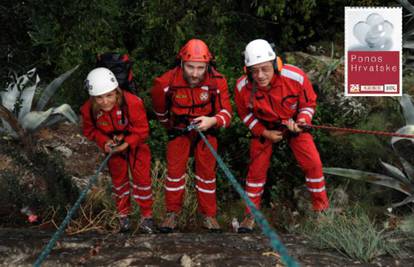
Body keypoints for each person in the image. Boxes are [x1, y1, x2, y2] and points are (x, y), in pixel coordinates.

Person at [234, 39, 329, 233]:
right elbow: (245, 115)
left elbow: (309, 103)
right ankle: (250, 216)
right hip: (265, 128)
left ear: (276, 65)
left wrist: (302, 120)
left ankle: (321, 211)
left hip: (294, 125)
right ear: (247, 70)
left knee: (313, 163)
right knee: (256, 172)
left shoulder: (295, 77)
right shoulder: (242, 87)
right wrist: (264, 132)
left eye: (265, 69)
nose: (260, 76)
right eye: (254, 70)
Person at [151, 39, 232, 233]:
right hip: (180, 130)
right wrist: (172, 127)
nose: (195, 73)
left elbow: (227, 113)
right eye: (190, 67)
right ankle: (172, 214)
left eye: (200, 68)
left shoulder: (217, 82)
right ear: (181, 63)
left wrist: (212, 121)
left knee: (207, 174)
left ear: (208, 65)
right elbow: (160, 112)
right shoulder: (165, 83)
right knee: (175, 173)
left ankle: (208, 216)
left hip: (207, 130)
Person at [80, 67, 155, 233]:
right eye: (99, 97)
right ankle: (123, 217)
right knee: (119, 183)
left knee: (142, 181)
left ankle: (147, 217)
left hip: (136, 145)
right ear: (93, 97)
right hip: (113, 149)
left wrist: (127, 142)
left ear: (117, 92)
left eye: (109, 95)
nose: (105, 101)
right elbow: (89, 131)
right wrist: (104, 142)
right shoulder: (88, 110)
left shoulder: (132, 103)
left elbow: (142, 130)